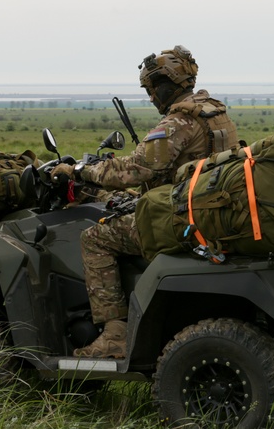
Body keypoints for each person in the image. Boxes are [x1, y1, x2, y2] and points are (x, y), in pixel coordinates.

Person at [51, 45, 238, 358]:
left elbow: (133, 170)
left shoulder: (179, 122)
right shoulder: (214, 113)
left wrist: (79, 171)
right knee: (118, 204)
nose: (151, 97)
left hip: (181, 219)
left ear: (167, 86)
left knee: (95, 237)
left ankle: (114, 335)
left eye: (152, 90)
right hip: (205, 207)